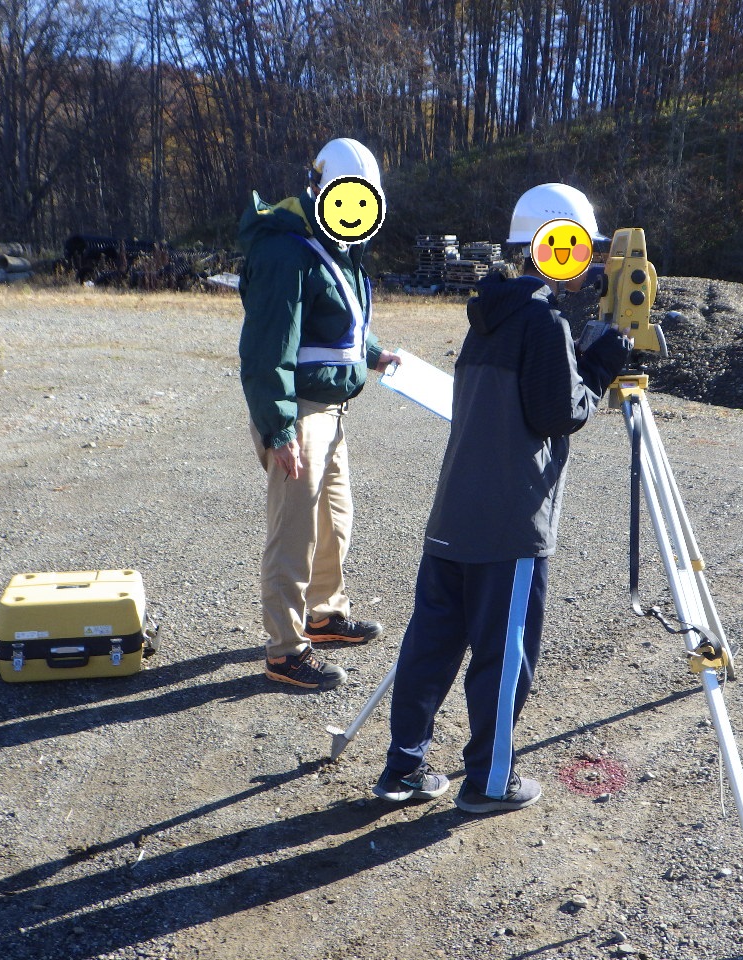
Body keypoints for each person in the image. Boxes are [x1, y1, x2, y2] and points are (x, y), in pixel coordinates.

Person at [373, 183, 631, 812]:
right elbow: (558, 413)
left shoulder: (492, 311)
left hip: (454, 516)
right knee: (504, 656)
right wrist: (601, 361)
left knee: (430, 646)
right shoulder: (541, 322)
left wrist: (574, 340)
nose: (589, 264)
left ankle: (401, 770)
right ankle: (489, 782)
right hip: (510, 524)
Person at [238, 137, 400, 691]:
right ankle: (285, 649)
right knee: (295, 531)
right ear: (320, 189)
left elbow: (341, 319)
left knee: (335, 520)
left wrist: (374, 353)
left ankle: (324, 614)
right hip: (299, 413)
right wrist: (278, 428)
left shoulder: (334, 248)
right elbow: (267, 351)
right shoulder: (286, 253)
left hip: (330, 410)